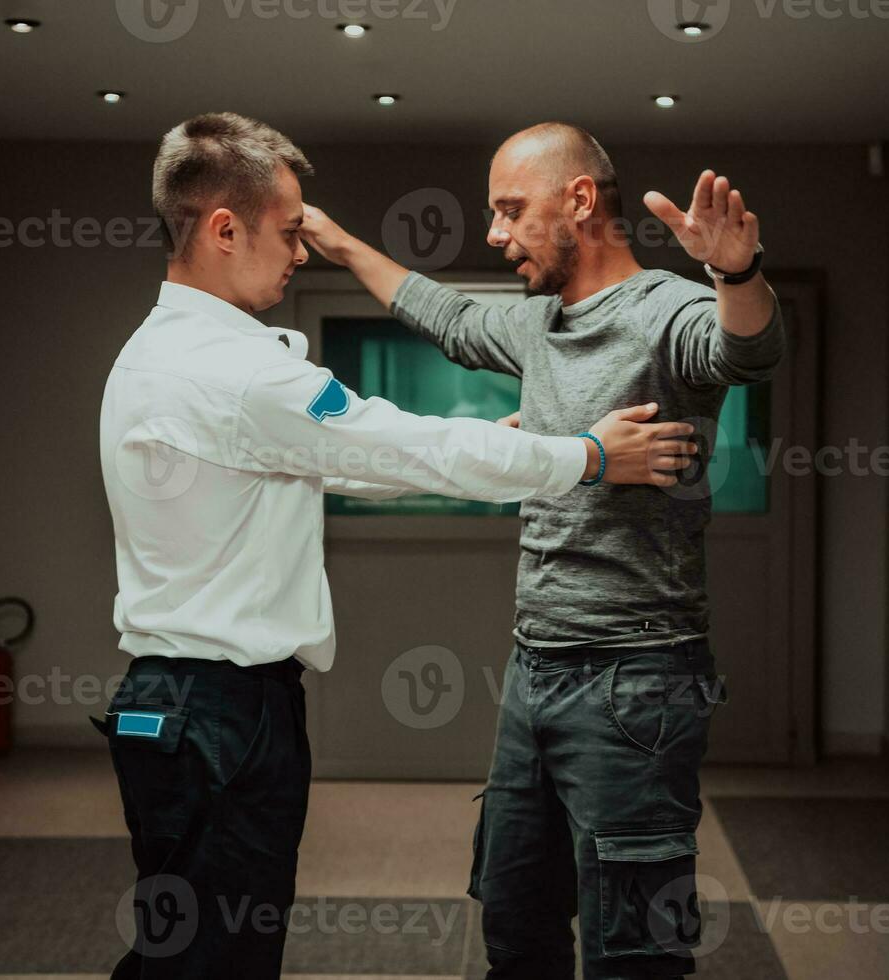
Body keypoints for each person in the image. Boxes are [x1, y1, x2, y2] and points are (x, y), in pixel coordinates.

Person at [96, 112, 698, 980]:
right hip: (222, 717)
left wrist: (501, 447)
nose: (300, 252)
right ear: (224, 230)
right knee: (215, 958)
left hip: (175, 707)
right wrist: (590, 455)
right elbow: (407, 444)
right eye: (288, 232)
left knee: (182, 941)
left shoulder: (156, 351)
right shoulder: (240, 372)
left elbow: (345, 461)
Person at [300, 121, 786, 978]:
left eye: (510, 210)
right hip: (534, 672)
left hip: (637, 678)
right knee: (514, 924)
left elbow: (746, 351)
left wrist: (734, 273)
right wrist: (337, 243)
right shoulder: (538, 327)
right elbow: (443, 314)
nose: (494, 233)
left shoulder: (663, 309)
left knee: (631, 948)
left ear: (581, 201)